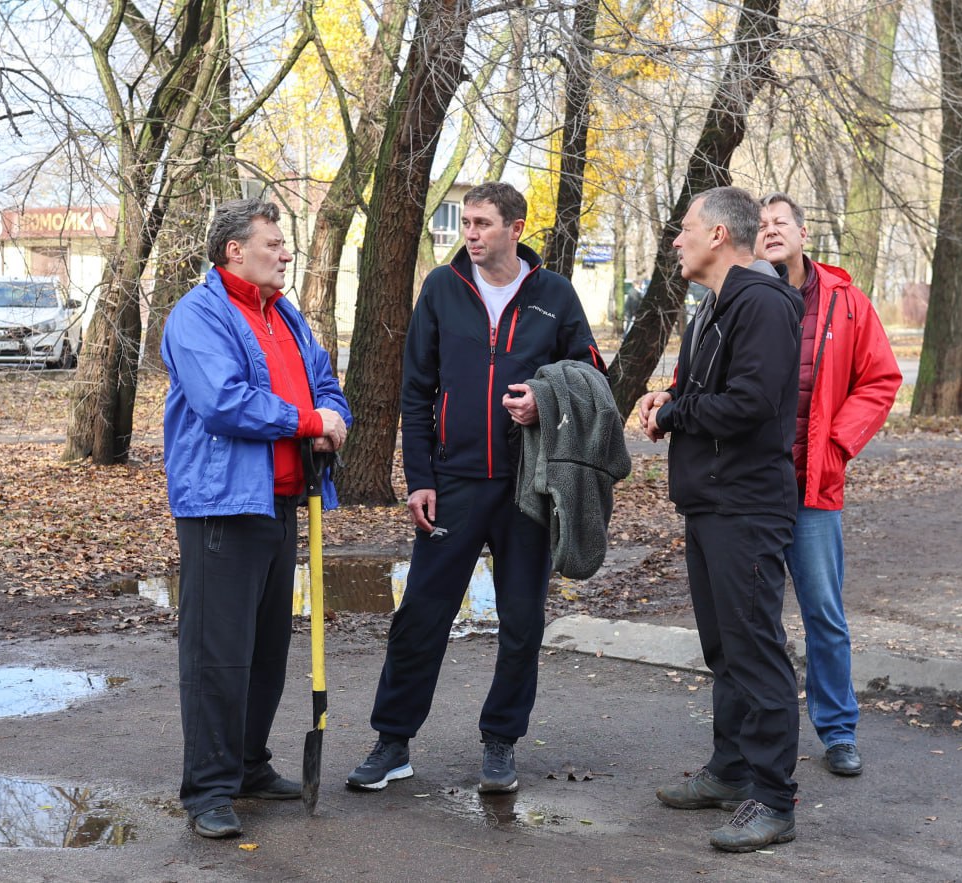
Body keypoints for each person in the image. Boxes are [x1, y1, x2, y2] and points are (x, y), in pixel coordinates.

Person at [348, 181, 605, 796]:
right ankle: (392, 742)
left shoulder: (554, 295)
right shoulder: (442, 288)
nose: (471, 233)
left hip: (528, 488)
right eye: (466, 222)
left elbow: (592, 375)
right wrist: (420, 479)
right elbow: (416, 390)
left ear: (515, 228)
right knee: (421, 615)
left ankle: (500, 742)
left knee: (521, 621)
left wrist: (544, 400)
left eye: (483, 223)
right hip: (454, 484)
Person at [161, 198, 351, 839]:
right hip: (222, 504)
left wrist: (331, 418)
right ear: (234, 251)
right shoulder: (199, 315)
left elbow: (326, 387)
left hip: (282, 503)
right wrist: (306, 421)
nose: (286, 254)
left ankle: (247, 766)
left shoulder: (285, 316)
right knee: (218, 655)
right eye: (273, 243)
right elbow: (222, 401)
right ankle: (208, 791)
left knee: (267, 649)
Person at [637, 186, 804, 853]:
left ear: (717, 236)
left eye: (685, 228)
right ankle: (731, 772)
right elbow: (705, 390)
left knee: (755, 649)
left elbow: (751, 402)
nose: (676, 239)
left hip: (747, 507)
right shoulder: (711, 305)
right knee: (725, 649)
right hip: (710, 502)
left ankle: (773, 799)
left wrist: (677, 413)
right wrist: (667, 398)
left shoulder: (761, 302)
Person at [756, 192, 901, 776]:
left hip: (812, 487)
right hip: (752, 488)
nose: (770, 231)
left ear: (803, 233)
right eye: (761, 224)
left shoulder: (845, 301)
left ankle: (839, 731)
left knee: (824, 614)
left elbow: (880, 379)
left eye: (780, 222)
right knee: (755, 617)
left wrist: (838, 444)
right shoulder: (738, 295)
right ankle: (759, 733)